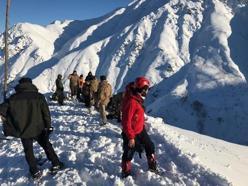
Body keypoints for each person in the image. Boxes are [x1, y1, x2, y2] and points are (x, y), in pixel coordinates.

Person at [0, 77, 64, 179]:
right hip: (39, 128)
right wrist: (48, 126)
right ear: (31, 84)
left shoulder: (13, 98)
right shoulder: (39, 97)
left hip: (24, 130)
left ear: (20, 86)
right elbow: (46, 113)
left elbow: (2, 110)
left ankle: (34, 171)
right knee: (47, 145)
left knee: (28, 150)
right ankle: (56, 163)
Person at [121, 77, 157, 178]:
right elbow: (126, 121)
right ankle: (125, 172)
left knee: (150, 146)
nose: (146, 91)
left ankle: (152, 166)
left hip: (140, 129)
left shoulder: (137, 97)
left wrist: (141, 122)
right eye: (145, 89)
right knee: (129, 152)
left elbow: (136, 115)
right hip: (131, 132)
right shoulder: (132, 102)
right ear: (141, 89)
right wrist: (131, 137)